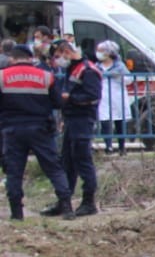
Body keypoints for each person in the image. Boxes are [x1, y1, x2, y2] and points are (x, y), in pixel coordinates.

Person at [0, 43, 74, 220]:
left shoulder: (2, 76)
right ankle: (67, 207)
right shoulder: (46, 76)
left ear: (12, 58)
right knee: (54, 168)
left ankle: (16, 214)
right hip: (40, 128)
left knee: (14, 171)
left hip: (12, 130)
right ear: (31, 58)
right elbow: (57, 103)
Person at [56, 37, 101, 215]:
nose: (57, 61)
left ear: (67, 52)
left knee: (82, 160)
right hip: (71, 120)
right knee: (67, 161)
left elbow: (92, 95)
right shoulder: (73, 68)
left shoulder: (87, 70)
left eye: (58, 56)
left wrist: (70, 99)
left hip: (82, 120)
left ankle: (89, 202)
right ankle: (64, 201)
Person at [95, 40, 131, 154]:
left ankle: (121, 146)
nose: (98, 53)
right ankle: (108, 146)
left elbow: (129, 79)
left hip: (117, 97)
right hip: (103, 97)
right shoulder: (97, 66)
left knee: (119, 121)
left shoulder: (119, 66)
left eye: (101, 51)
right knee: (105, 121)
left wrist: (118, 77)